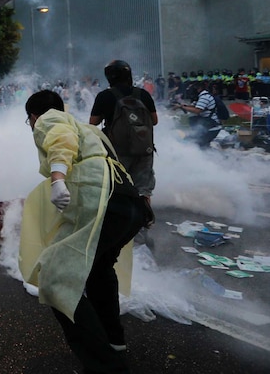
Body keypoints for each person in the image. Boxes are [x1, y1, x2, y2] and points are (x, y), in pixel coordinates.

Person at [19, 90, 145, 374]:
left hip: (103, 204)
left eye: (28, 120)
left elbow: (59, 140)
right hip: (128, 205)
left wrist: (58, 179)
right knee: (99, 270)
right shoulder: (89, 130)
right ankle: (114, 342)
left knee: (54, 279)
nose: (31, 126)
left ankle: (105, 366)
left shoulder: (51, 118)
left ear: (33, 116)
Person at [89, 60, 158, 199]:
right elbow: (154, 121)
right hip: (143, 148)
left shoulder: (104, 96)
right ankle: (146, 218)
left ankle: (123, 217)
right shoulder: (142, 94)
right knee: (143, 190)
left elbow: (93, 123)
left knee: (117, 187)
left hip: (117, 150)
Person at [174, 80, 222, 148]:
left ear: (199, 88)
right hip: (207, 125)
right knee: (197, 142)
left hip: (212, 127)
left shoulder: (204, 97)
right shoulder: (201, 96)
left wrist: (184, 108)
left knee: (199, 145)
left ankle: (209, 156)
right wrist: (181, 106)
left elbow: (197, 110)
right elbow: (193, 106)